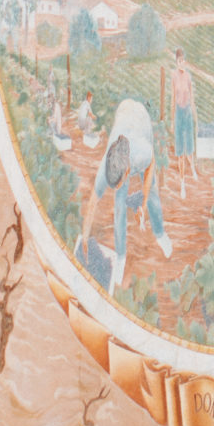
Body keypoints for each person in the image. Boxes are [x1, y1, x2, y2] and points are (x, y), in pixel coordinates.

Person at [80, 98, 172, 289]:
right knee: (120, 205)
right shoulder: (108, 164)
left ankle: (160, 233)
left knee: (152, 190)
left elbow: (151, 166)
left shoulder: (142, 153)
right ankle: (120, 257)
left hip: (140, 120)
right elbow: (92, 203)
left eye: (120, 182)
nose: (116, 187)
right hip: (123, 112)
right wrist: (85, 237)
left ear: (128, 170)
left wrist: (144, 202)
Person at [165, 48, 199, 187]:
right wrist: (173, 121)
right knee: (180, 150)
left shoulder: (188, 76)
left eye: (183, 60)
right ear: (176, 62)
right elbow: (173, 98)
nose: (181, 63)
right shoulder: (174, 76)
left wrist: (195, 118)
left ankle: (192, 169)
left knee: (189, 147)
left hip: (188, 113)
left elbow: (192, 99)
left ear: (185, 61)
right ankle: (182, 181)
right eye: (179, 61)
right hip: (179, 112)